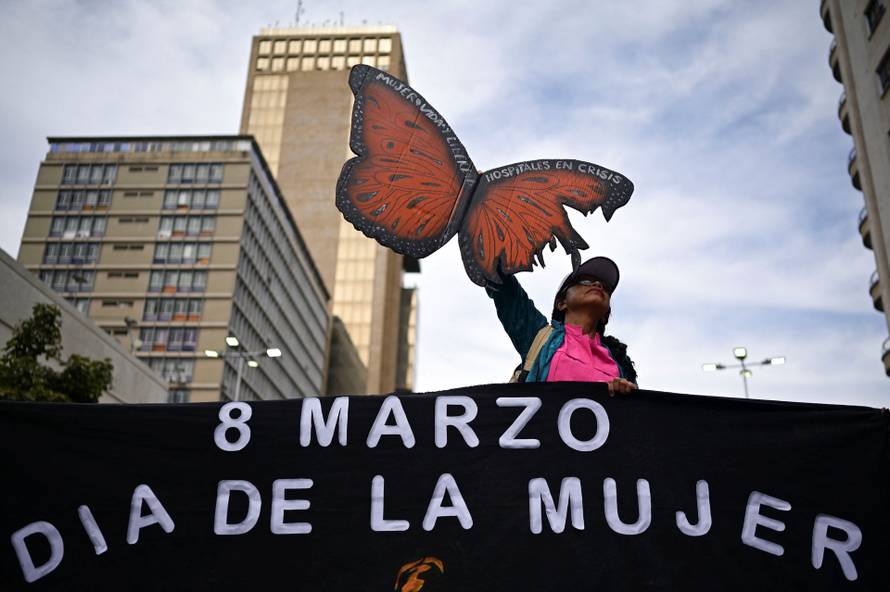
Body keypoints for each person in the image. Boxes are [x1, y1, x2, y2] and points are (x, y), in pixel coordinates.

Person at [487, 256, 637, 396]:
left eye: (605, 287)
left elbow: (639, 414)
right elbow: (502, 283)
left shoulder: (621, 363)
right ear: (561, 303)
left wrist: (626, 394)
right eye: (584, 281)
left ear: (605, 314)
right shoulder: (538, 337)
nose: (598, 285)